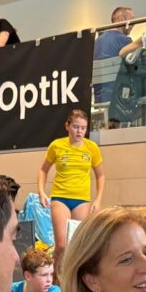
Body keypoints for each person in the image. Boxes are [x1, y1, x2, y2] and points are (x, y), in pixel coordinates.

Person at [37, 109, 106, 269]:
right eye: (75, 127)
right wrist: (41, 191)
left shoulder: (92, 148)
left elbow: (101, 175)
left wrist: (98, 199)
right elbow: (43, 170)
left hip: (81, 200)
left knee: (76, 246)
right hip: (60, 198)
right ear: (67, 126)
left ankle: (72, 278)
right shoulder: (57, 146)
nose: (79, 131)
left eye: (83, 128)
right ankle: (54, 278)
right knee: (61, 245)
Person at [93, 6, 134, 104]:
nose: (134, 24)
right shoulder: (125, 40)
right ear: (121, 19)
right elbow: (136, 69)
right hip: (121, 97)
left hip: (99, 98)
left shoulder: (95, 43)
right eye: (132, 20)